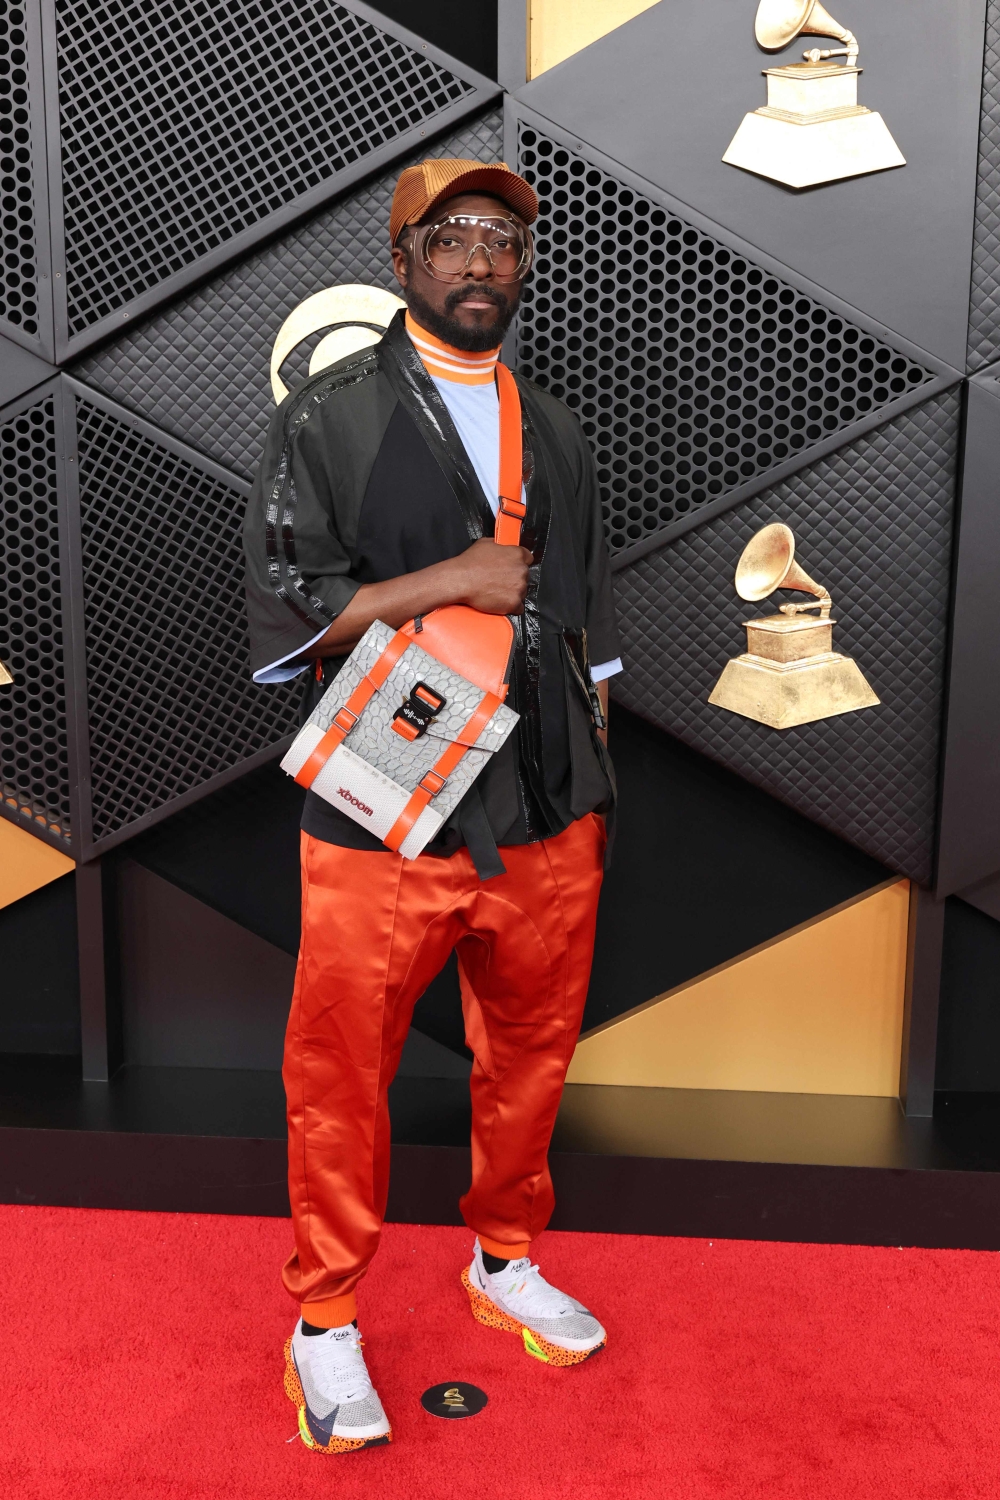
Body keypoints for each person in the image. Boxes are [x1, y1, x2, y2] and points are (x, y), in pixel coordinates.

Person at [243, 158, 622, 1455]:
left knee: (533, 1050)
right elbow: (287, 612)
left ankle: (505, 1256)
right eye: (451, 237)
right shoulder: (330, 415)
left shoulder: (553, 425)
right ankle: (325, 1319)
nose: (479, 262)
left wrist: (592, 774)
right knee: (341, 1067)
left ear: (524, 268)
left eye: (503, 242)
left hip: (549, 799)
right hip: (386, 798)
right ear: (400, 259)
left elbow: (585, 614)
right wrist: (451, 578)